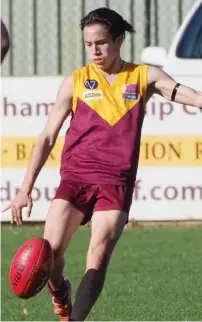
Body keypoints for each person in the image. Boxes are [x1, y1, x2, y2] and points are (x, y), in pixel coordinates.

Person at [2, 7, 202, 321]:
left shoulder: (143, 75)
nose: (94, 51)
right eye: (88, 44)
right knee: (50, 252)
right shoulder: (77, 81)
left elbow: (186, 94)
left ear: (119, 39)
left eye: (102, 43)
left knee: (98, 257)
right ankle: (60, 292)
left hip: (115, 182)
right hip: (75, 178)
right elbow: (46, 137)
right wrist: (24, 189)